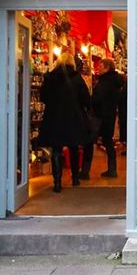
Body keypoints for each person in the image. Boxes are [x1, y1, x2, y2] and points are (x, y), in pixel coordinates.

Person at [38, 52, 91, 192]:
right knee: (73, 147)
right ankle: (75, 178)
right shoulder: (77, 78)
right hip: (73, 117)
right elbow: (85, 98)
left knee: (56, 149)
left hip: (54, 117)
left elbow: (42, 97)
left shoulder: (49, 77)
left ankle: (57, 183)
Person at [92, 58, 124, 177]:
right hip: (109, 115)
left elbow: (98, 98)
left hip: (101, 115)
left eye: (100, 66)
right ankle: (112, 168)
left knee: (92, 141)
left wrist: (91, 102)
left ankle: (85, 171)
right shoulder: (114, 81)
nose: (98, 68)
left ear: (107, 68)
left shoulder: (105, 82)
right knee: (107, 141)